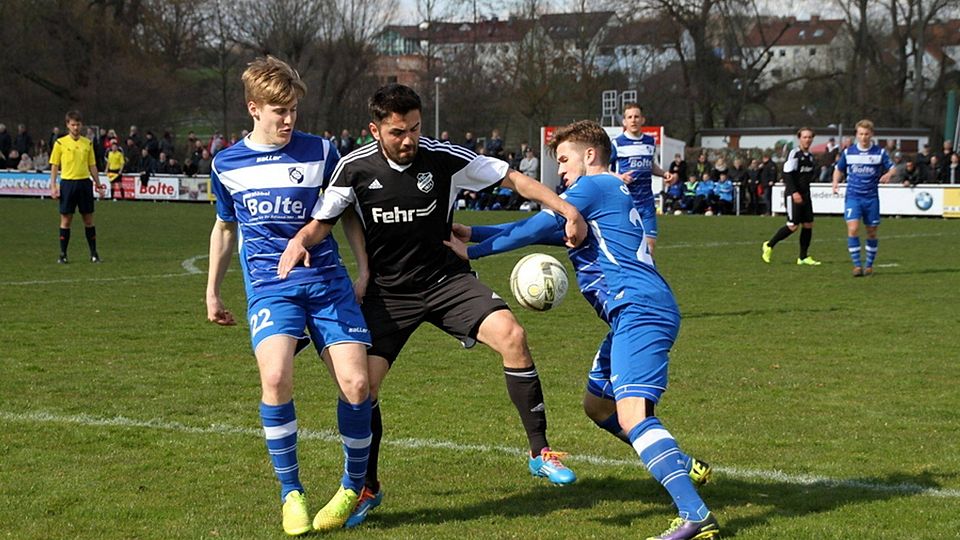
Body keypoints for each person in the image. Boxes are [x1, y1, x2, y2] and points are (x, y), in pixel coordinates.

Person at [276, 83, 588, 528]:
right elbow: (323, 221)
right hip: (388, 294)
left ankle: (540, 452)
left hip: (447, 281)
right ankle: (367, 486)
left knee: (513, 336)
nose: (409, 140)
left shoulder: (443, 157)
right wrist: (300, 243)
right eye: (398, 131)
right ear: (375, 129)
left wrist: (565, 209)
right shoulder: (353, 168)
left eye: (416, 129)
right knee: (361, 388)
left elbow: (512, 178)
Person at [445, 120, 720, 540]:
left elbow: (539, 224)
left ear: (590, 155)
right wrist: (475, 231)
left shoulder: (595, 187)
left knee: (632, 414)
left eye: (564, 160)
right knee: (598, 406)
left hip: (639, 309)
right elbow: (546, 228)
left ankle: (695, 515)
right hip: (632, 313)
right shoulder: (601, 198)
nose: (561, 172)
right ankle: (680, 463)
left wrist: (476, 249)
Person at [204, 55, 373, 536]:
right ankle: (291, 492)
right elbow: (223, 228)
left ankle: (349, 488)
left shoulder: (321, 152)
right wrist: (212, 292)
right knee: (276, 377)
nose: (287, 119)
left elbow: (347, 213)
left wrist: (363, 270)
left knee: (357, 387)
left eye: (293, 109)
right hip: (270, 286)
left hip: (326, 283)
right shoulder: (226, 164)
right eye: (278, 110)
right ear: (253, 108)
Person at [609, 102, 675, 256]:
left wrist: (664, 174)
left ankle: (647, 278)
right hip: (626, 203)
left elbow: (650, 165)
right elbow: (604, 169)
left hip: (646, 203)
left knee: (649, 249)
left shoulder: (650, 142)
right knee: (628, 249)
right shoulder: (617, 143)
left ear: (643, 120)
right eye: (629, 117)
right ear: (624, 121)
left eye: (636, 117)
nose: (633, 120)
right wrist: (619, 177)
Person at [832, 119, 895, 277]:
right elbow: (838, 169)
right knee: (853, 229)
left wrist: (888, 174)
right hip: (853, 197)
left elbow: (893, 169)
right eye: (861, 134)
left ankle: (869, 265)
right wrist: (835, 183)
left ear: (871, 134)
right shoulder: (849, 152)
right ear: (856, 135)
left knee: (871, 232)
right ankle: (857, 266)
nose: (864, 137)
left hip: (871, 198)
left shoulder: (879, 153)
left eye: (866, 134)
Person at [49, 110, 104, 264]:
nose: (75, 128)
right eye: (73, 125)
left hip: (84, 183)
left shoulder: (87, 143)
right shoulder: (60, 143)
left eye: (78, 125)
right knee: (66, 220)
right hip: (67, 184)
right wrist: (53, 186)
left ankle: (94, 254)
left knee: (88, 219)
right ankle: (63, 254)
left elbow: (92, 165)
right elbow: (54, 165)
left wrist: (98, 184)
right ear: (67, 125)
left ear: (81, 125)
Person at [761, 127, 821, 266]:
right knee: (793, 226)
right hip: (793, 194)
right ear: (799, 138)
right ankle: (769, 245)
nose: (807, 140)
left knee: (808, 224)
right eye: (804, 137)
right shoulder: (794, 154)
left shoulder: (810, 157)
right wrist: (794, 192)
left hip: (806, 195)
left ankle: (803, 257)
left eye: (810, 137)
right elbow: (787, 174)